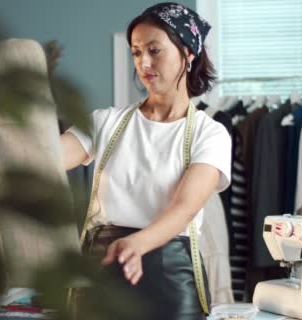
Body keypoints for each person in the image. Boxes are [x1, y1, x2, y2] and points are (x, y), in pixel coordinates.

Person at [60, 3, 231, 319]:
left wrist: (137, 244)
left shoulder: (211, 134)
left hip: (171, 278)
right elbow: (45, 159)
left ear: (188, 53)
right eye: (136, 52)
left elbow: (184, 208)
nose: (144, 63)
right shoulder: (103, 123)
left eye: (154, 50)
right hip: (102, 271)